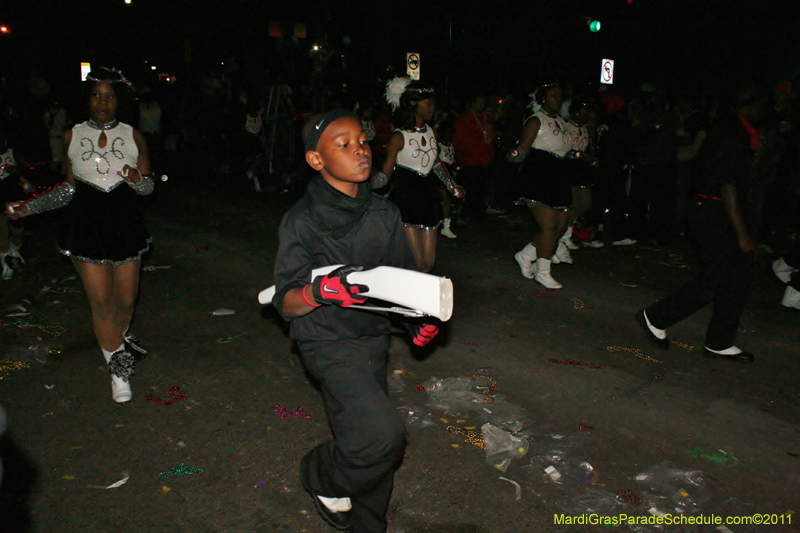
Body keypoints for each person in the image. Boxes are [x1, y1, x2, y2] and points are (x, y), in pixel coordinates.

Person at [272, 109, 439, 533]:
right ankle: (319, 474)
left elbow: (401, 284)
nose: (360, 150)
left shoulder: (384, 213)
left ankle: (369, 525)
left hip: (371, 340)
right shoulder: (302, 220)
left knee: (365, 437)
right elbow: (285, 302)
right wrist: (319, 291)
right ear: (316, 160)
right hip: (325, 341)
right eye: (342, 144)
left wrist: (417, 321)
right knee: (384, 436)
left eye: (362, 140)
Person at [5, 67, 155, 401]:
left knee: (125, 301)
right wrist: (28, 208)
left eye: (110, 96)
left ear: (119, 101)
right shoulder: (71, 135)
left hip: (125, 225)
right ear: (88, 99)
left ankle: (118, 336)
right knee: (101, 303)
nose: (103, 102)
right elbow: (68, 189)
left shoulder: (135, 136)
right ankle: (119, 372)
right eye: (96, 95)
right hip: (86, 226)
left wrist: (136, 181)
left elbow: (148, 188)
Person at [635, 84, 768, 363]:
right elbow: (727, 184)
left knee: (737, 276)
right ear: (750, 105)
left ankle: (719, 341)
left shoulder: (739, 130)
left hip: (718, 209)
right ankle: (656, 316)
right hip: (713, 210)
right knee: (717, 277)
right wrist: (742, 233)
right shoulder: (733, 133)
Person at [380, 77, 463, 273]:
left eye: (432, 101)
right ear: (412, 103)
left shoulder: (432, 133)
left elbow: (435, 164)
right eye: (427, 101)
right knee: (418, 264)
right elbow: (385, 174)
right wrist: (364, 183)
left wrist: (452, 186)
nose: (432, 106)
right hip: (406, 199)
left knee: (428, 264)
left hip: (428, 199)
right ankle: (405, 299)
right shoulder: (398, 136)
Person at [508, 83, 574, 289]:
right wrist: (514, 155)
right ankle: (543, 272)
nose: (558, 99)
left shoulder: (562, 122)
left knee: (561, 225)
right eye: (553, 95)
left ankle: (527, 254)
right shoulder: (536, 120)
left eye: (560, 96)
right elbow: (523, 149)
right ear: (543, 99)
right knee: (549, 226)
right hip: (539, 174)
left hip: (559, 174)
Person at [561, 98, 598, 252]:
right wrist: (575, 154)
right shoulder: (566, 127)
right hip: (569, 167)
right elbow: (562, 148)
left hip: (581, 169)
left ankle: (568, 228)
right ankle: (566, 236)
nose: (586, 114)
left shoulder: (584, 128)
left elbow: (585, 149)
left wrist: (590, 158)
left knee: (585, 203)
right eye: (583, 110)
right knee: (572, 202)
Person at [452, 93, 496, 222]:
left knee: (480, 187)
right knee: (471, 187)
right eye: (479, 103)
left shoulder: (486, 118)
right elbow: (459, 140)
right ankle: (469, 212)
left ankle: (477, 212)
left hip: (484, 158)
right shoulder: (465, 119)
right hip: (470, 159)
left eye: (483, 103)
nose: (481, 106)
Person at [0, 126, 34, 280]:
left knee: (17, 229)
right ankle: (7, 265)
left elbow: (30, 168)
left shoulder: (12, 153)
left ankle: (15, 251)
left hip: (12, 193)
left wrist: (16, 171)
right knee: (2, 230)